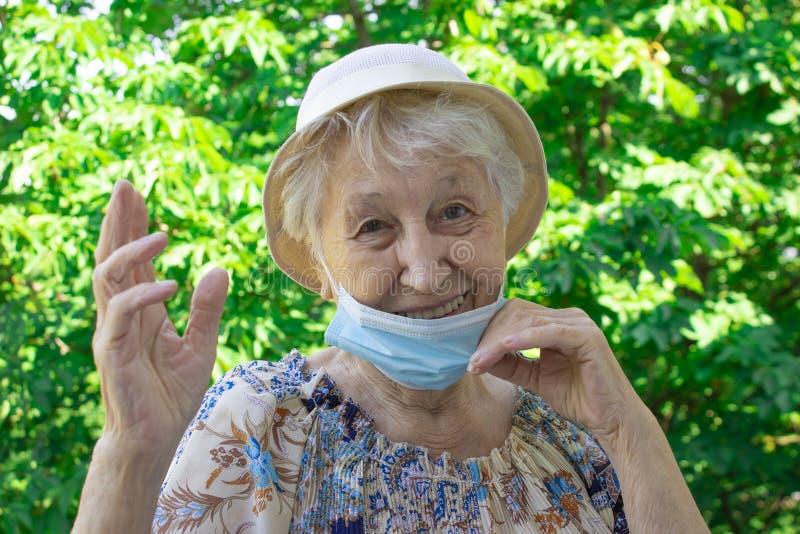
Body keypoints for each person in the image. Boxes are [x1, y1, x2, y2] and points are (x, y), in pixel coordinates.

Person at [73, 44, 708, 533]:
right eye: (373, 226)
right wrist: (131, 452)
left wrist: (629, 427)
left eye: (455, 211)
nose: (427, 271)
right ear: (322, 266)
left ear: (504, 223)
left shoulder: (569, 433)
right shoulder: (262, 425)